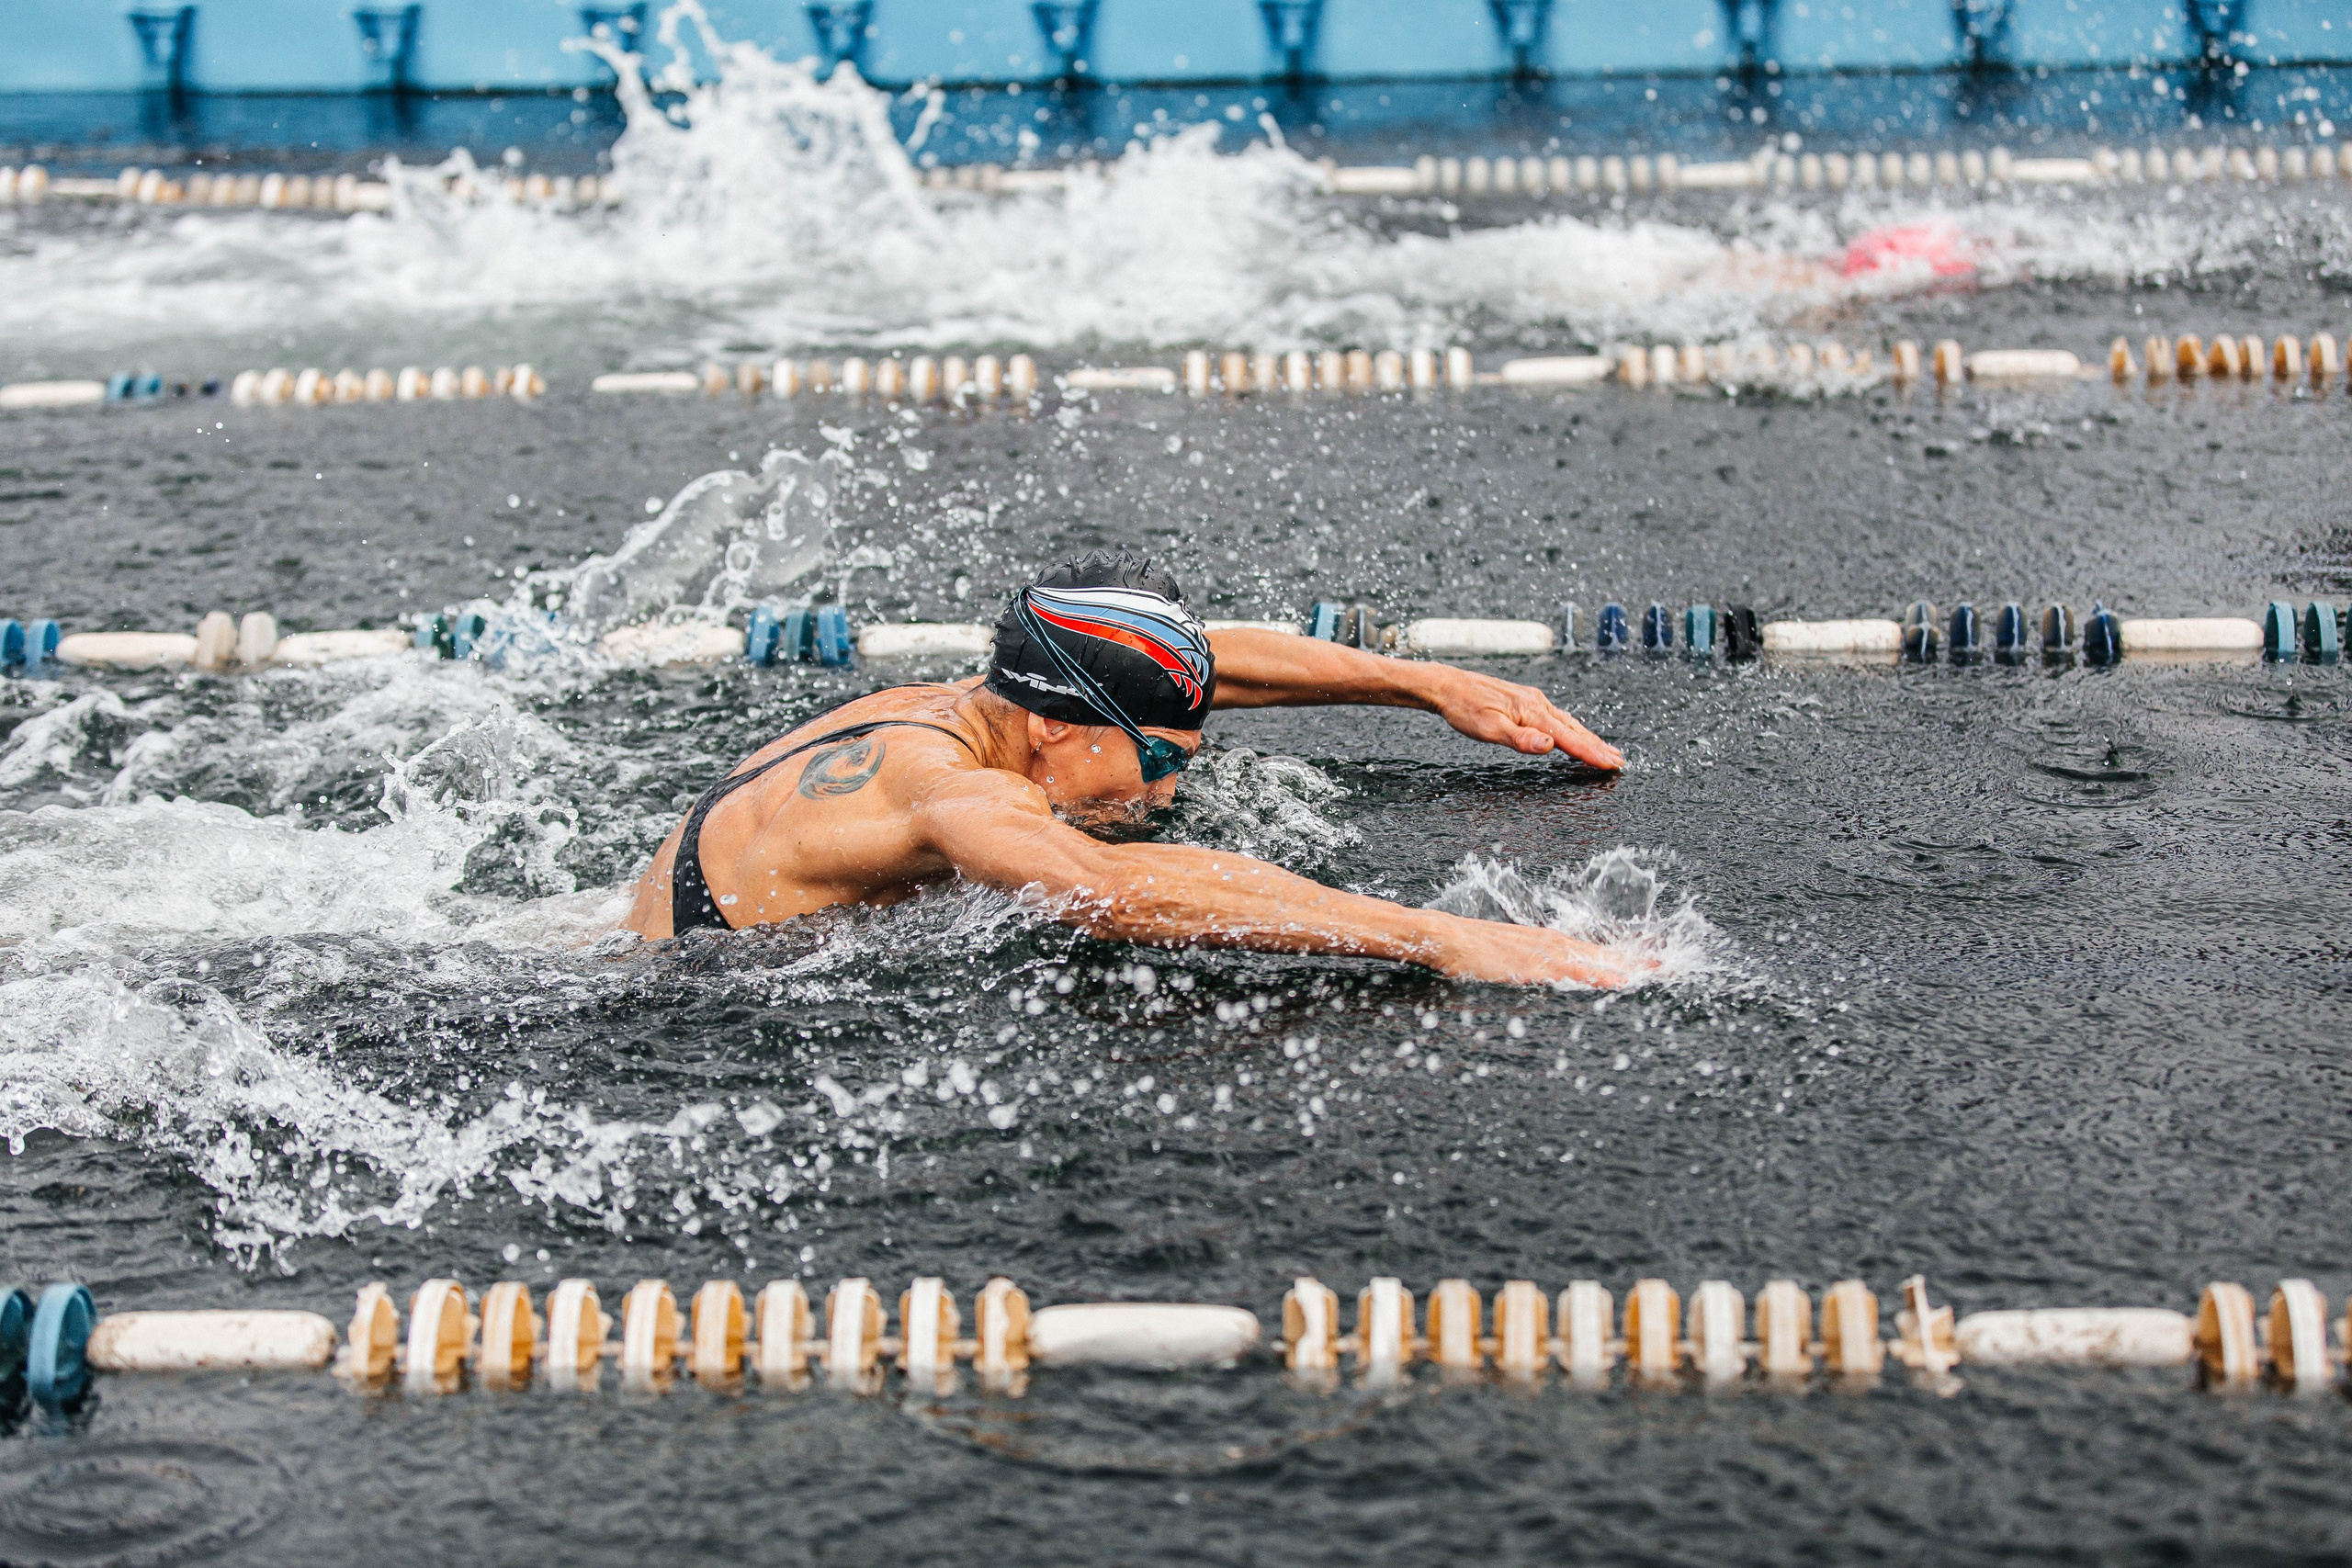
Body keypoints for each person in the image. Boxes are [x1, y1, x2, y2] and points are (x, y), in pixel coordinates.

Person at [623, 554, 1646, 987]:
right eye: (1156, 759)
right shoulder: (963, 792)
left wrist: (1418, 682)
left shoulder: (964, 706)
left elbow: (1209, 664)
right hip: (654, 998)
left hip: (627, 933)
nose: (1163, 788)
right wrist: (1441, 938)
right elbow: (1099, 892)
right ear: (1060, 734)